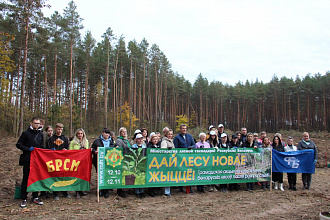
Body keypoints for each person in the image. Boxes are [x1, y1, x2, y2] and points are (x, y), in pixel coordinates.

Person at [16, 117, 44, 208]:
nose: (37, 125)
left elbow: (42, 147)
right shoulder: (25, 133)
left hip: (37, 160)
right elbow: (19, 144)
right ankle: (24, 198)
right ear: (31, 123)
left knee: (36, 178)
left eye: (38, 123)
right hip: (27, 159)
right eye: (35, 123)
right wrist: (28, 149)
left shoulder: (41, 134)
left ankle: (35, 196)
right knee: (26, 178)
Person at [47, 123, 70, 200]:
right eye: (58, 129)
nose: (59, 131)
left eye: (61, 129)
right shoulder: (51, 139)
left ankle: (65, 192)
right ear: (55, 129)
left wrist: (65, 150)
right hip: (54, 160)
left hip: (63, 160)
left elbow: (67, 147)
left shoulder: (65, 138)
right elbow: (48, 149)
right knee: (55, 176)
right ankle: (55, 193)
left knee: (64, 176)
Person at [91, 128, 115, 198]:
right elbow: (92, 148)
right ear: (102, 133)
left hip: (108, 161)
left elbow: (113, 148)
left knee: (107, 175)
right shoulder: (97, 141)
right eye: (105, 133)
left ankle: (106, 191)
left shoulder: (111, 141)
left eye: (108, 133)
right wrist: (95, 152)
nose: (107, 135)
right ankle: (100, 189)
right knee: (100, 175)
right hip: (98, 161)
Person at [173, 124, 195, 193]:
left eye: (185, 128)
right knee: (181, 172)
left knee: (189, 172)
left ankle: (189, 189)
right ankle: (181, 188)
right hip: (181, 158)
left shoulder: (190, 136)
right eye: (183, 128)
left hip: (189, 158)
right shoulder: (177, 137)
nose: (184, 130)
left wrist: (192, 147)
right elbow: (175, 148)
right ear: (180, 129)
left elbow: (194, 145)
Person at [69, 128, 89, 199]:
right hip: (76, 161)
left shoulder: (86, 141)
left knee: (83, 176)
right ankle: (77, 191)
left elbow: (87, 151)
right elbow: (70, 152)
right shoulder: (73, 142)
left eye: (81, 133)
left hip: (83, 161)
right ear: (76, 134)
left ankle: (82, 189)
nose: (80, 135)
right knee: (76, 176)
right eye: (78, 133)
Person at [114, 127, 131, 198]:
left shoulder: (127, 140)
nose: (124, 133)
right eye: (123, 132)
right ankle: (119, 190)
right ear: (120, 133)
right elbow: (119, 151)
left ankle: (125, 188)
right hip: (122, 160)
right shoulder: (119, 140)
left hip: (127, 159)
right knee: (121, 175)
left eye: (125, 132)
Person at [131, 133, 147, 198]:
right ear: (136, 139)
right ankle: (137, 191)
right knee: (137, 177)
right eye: (139, 139)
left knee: (142, 177)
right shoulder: (133, 146)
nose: (140, 140)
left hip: (142, 164)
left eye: (141, 139)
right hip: (136, 164)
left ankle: (142, 191)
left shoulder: (144, 147)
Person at [161, 129, 175, 196]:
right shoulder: (164, 141)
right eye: (169, 134)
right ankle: (166, 191)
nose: (170, 135)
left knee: (170, 175)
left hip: (171, 160)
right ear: (166, 134)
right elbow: (162, 151)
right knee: (166, 176)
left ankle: (168, 190)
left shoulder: (171, 141)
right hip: (166, 160)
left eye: (171, 134)